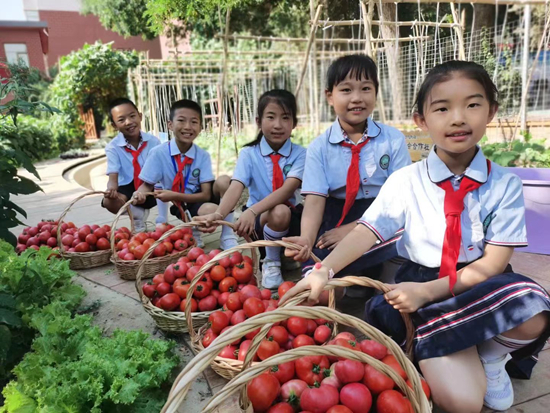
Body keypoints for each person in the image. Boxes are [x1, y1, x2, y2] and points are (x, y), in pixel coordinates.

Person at [281, 61, 550, 413]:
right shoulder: (406, 180)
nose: (458, 118)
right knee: (462, 404)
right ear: (421, 120)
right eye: (442, 108)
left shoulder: (505, 184)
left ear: (491, 112)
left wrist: (426, 293)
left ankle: (491, 355)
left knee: (531, 301)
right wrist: (324, 270)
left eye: (472, 104)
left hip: (478, 285)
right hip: (418, 285)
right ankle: (456, 336)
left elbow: (494, 264)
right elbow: (368, 230)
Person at [284, 54, 411, 286]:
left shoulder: (393, 140)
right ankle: (345, 285)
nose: (357, 98)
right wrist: (306, 239)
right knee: (316, 282)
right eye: (346, 90)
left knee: (407, 231)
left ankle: (383, 280)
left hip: (383, 211)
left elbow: (399, 199)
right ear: (329, 96)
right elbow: (314, 202)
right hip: (336, 215)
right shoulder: (319, 147)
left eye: (365, 88)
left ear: (376, 92)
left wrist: (355, 229)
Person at [197, 90, 306, 289]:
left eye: (285, 117)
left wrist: (251, 210)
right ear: (258, 120)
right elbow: (236, 185)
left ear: (294, 123)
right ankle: (271, 261)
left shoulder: (301, 154)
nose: (277, 125)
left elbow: (287, 190)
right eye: (271, 117)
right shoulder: (249, 153)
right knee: (278, 212)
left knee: (282, 209)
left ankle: (282, 255)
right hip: (259, 224)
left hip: (293, 220)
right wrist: (219, 213)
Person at [133, 99, 238, 250]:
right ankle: (192, 228)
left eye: (194, 122)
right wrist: (139, 194)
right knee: (211, 210)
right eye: (181, 121)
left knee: (225, 181)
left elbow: (205, 194)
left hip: (196, 197)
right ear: (170, 125)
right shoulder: (158, 154)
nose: (188, 127)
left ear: (201, 127)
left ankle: (227, 236)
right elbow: (146, 185)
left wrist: (173, 195)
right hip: (182, 205)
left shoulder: (202, 155)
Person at [102, 98, 161, 231]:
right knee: (108, 202)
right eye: (121, 120)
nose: (128, 122)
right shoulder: (113, 147)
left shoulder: (154, 142)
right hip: (128, 184)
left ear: (140, 116)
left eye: (132, 116)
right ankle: (136, 214)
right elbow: (113, 174)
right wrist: (111, 189)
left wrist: (144, 190)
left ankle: (156, 217)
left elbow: (157, 170)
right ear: (114, 125)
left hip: (151, 183)